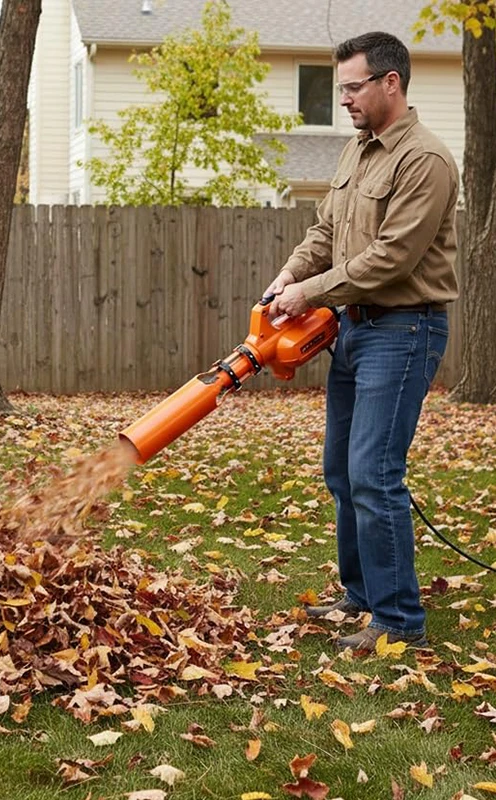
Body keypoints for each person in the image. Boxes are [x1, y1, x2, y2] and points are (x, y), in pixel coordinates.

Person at [264, 31, 459, 653]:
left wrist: (311, 293)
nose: (342, 99)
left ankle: (400, 623)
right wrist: (291, 273)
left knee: (374, 475)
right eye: (341, 87)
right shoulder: (357, 152)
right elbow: (326, 229)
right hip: (354, 329)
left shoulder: (423, 160)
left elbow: (392, 258)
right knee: (342, 473)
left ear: (390, 84)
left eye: (352, 87)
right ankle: (362, 595)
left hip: (404, 330)